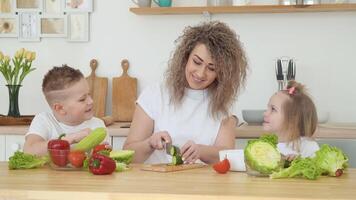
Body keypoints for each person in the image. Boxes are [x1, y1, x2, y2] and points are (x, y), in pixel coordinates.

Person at [123, 21, 248, 164]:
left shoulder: (222, 104)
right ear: (185, 57)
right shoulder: (155, 94)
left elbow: (227, 156)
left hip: (203, 185)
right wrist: (150, 144)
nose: (201, 74)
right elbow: (128, 156)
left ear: (221, 74)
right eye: (197, 62)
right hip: (156, 184)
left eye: (211, 68)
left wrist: (201, 151)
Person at [23, 65, 106, 156]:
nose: (91, 101)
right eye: (82, 99)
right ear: (60, 108)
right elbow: (29, 151)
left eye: (89, 94)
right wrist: (71, 139)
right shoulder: (44, 120)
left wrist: (104, 151)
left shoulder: (97, 125)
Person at [263, 80, 319, 160]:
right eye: (267, 108)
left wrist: (299, 162)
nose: (265, 113)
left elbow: (319, 169)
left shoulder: (308, 147)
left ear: (292, 119)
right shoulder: (265, 146)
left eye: (273, 109)